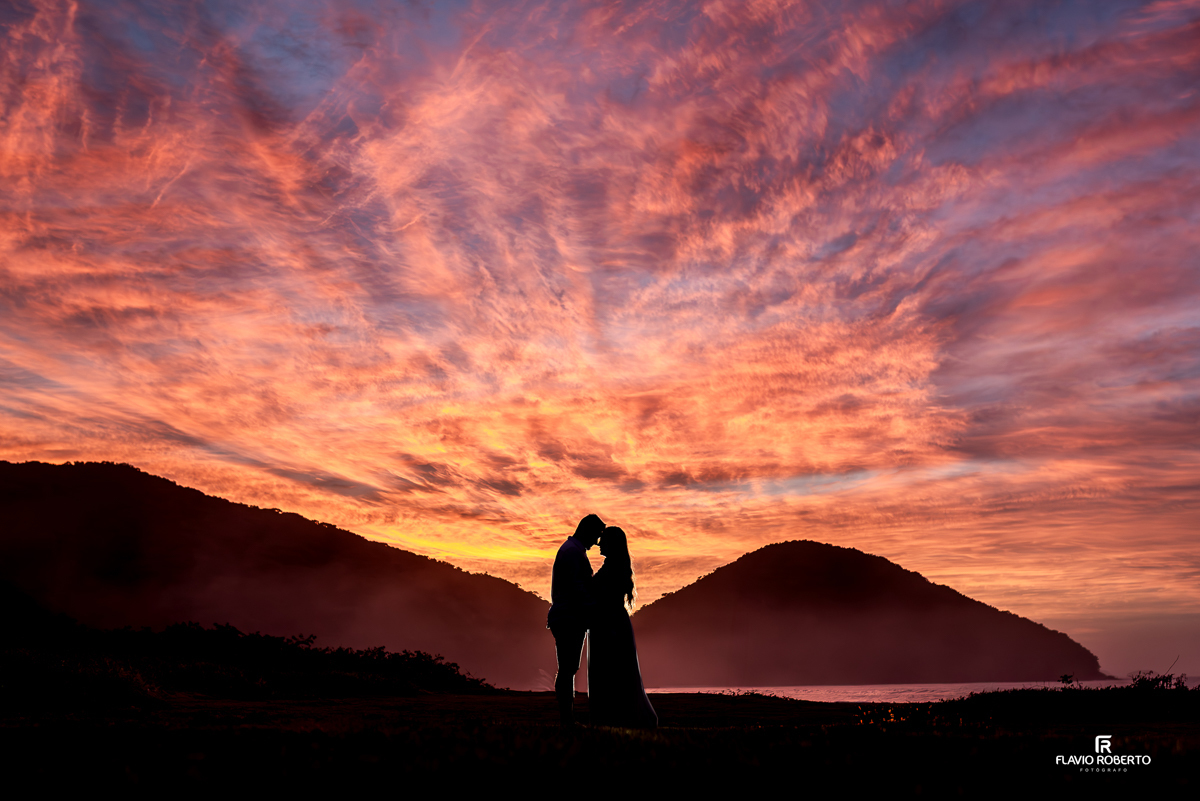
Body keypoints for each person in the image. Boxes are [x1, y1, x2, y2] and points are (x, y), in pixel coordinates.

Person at [587, 526, 657, 728]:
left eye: (603, 541)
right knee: (613, 671)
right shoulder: (614, 565)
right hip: (611, 621)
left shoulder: (613, 568)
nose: (599, 545)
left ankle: (613, 717)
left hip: (610, 624)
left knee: (612, 671)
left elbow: (603, 597)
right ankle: (612, 716)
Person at [547, 513, 604, 726]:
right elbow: (577, 589)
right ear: (587, 531)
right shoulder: (573, 553)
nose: (597, 542)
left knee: (568, 667)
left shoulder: (573, 551)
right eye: (596, 535)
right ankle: (567, 718)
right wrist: (595, 608)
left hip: (568, 616)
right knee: (568, 668)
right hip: (569, 617)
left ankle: (567, 717)